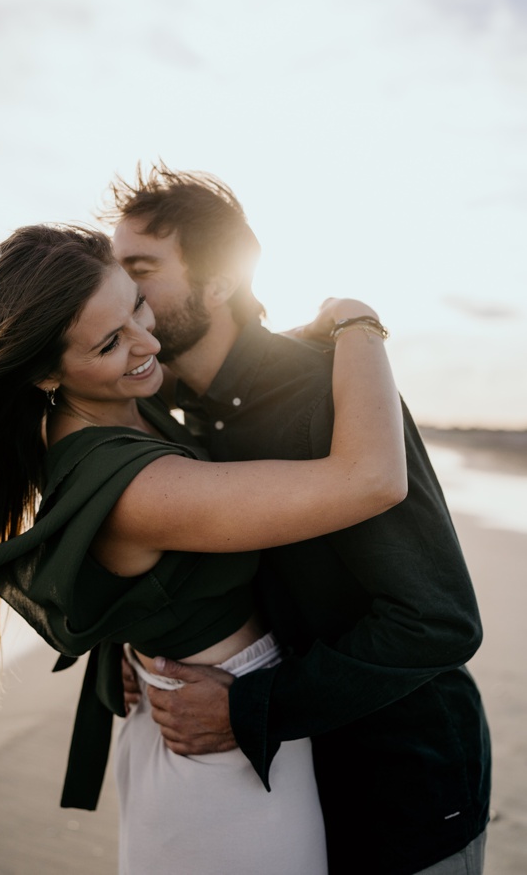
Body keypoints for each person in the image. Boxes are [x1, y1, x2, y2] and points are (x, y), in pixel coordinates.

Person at [0, 223, 407, 874]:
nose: (146, 342)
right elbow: (370, 479)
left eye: (137, 306)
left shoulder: (107, 408)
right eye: (110, 343)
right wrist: (357, 321)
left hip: (199, 726)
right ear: (46, 372)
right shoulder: (140, 488)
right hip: (223, 766)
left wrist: (131, 643)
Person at [106, 165, 490, 875]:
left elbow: (439, 619)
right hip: (285, 792)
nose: (121, 293)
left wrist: (249, 709)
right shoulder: (180, 416)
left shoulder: (331, 386)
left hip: (402, 791)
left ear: (218, 281)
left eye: (141, 269)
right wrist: (124, 653)